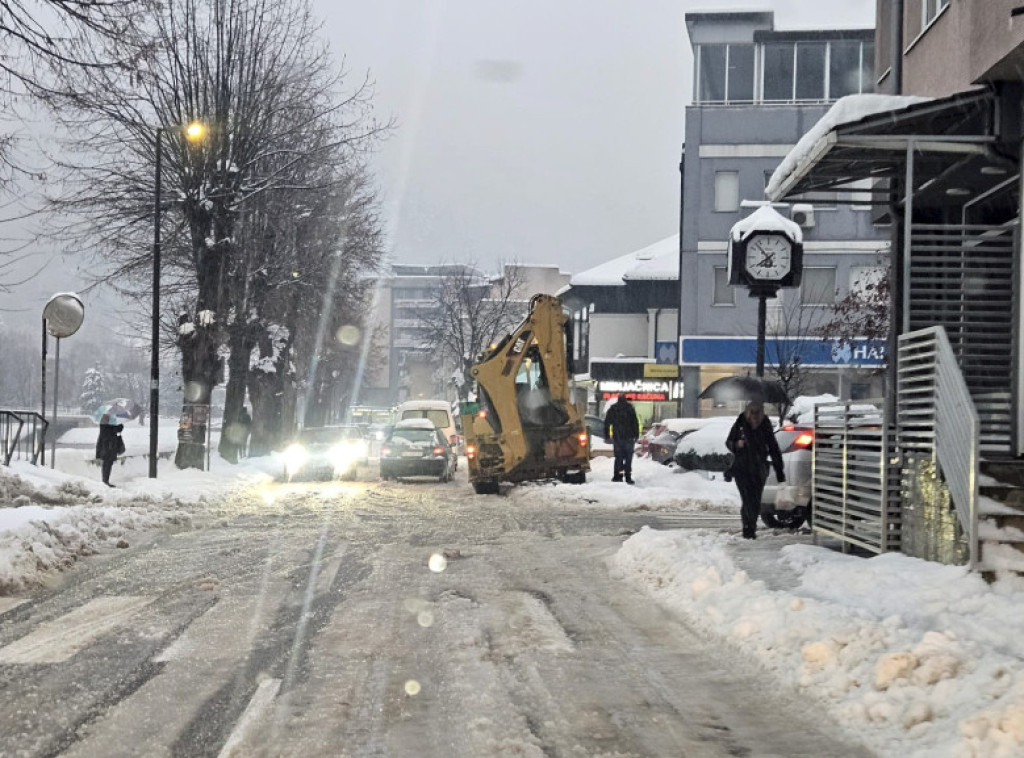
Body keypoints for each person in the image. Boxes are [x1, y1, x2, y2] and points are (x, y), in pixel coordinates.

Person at [725, 400, 785, 539]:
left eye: (758, 414)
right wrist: (737, 444)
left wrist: (779, 471)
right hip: (742, 467)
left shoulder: (765, 425)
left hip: (759, 468)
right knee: (747, 499)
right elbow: (729, 441)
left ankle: (750, 526)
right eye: (753, 414)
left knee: (756, 500)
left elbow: (773, 447)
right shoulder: (740, 423)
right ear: (748, 413)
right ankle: (748, 529)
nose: (755, 418)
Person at [603, 393, 640, 484]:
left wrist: (607, 436)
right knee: (628, 458)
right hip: (629, 438)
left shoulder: (613, 409)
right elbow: (635, 423)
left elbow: (607, 423)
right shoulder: (630, 408)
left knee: (618, 457)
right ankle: (628, 476)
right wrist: (636, 435)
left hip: (618, 437)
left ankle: (618, 476)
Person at [96, 414, 125, 488]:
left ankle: (105, 481)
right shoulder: (106, 424)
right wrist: (118, 426)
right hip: (108, 446)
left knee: (108, 464)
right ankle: (105, 481)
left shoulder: (107, 422)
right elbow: (112, 431)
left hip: (109, 446)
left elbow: (116, 430)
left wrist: (120, 426)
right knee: (107, 464)